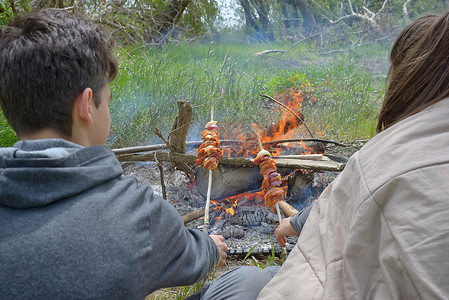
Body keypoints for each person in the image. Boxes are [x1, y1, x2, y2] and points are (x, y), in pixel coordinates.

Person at [0, 9, 273, 299]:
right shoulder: (134, 210)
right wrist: (211, 247)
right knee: (255, 280)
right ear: (86, 106)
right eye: (108, 101)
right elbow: (194, 254)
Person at [258, 12, 449, 299]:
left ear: (410, 78)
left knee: (251, 281)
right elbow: (351, 194)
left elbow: (360, 192)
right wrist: (298, 222)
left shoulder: (387, 154)